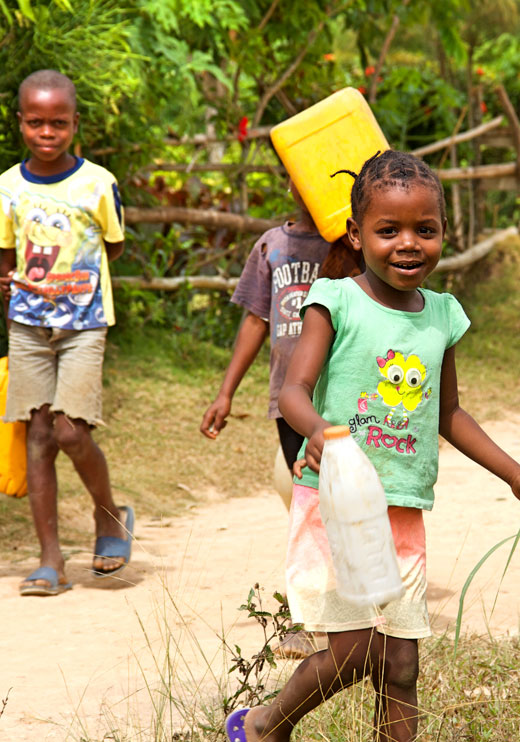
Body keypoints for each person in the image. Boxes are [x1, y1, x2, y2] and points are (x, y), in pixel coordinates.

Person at [225, 150, 520, 742]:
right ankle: (265, 725)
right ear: (357, 235)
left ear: (442, 233)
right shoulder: (335, 302)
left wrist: (518, 476)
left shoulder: (443, 315)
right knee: (356, 652)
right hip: (339, 505)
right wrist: (320, 434)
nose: (408, 244)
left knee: (402, 666)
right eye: (389, 230)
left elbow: (448, 413)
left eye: (424, 230)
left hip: (403, 510)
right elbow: (294, 392)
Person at [0, 69, 132, 596]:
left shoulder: (97, 183)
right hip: (27, 326)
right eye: (37, 122)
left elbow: (111, 248)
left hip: (84, 323)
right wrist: (13, 304)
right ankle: (50, 561)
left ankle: (110, 516)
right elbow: (6, 259)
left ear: (75, 124)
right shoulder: (7, 186)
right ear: (20, 122)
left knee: (70, 429)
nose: (48, 132)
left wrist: (73, 280)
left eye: (59, 123)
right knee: (38, 436)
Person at [201, 181, 347, 657]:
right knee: (308, 506)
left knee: (339, 503)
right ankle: (315, 616)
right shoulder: (271, 245)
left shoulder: (351, 241)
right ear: (288, 177)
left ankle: (338, 611)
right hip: (290, 402)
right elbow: (256, 320)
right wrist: (226, 393)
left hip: (341, 397)